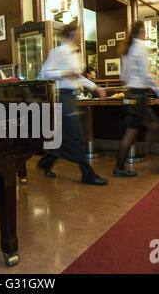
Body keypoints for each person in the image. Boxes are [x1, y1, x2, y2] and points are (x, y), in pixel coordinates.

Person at [37, 21, 108, 186]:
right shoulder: (58, 52)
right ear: (72, 34)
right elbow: (44, 73)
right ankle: (88, 175)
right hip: (63, 97)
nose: (81, 36)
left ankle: (46, 161)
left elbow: (78, 77)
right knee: (76, 137)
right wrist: (66, 72)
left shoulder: (75, 54)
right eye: (79, 33)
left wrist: (95, 87)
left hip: (71, 97)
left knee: (67, 136)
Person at [113, 21, 159, 177]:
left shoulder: (127, 49)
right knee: (132, 132)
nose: (146, 34)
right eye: (145, 31)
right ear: (141, 31)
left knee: (151, 125)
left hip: (131, 94)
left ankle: (151, 160)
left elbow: (122, 76)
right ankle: (119, 167)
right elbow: (146, 74)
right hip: (137, 95)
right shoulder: (140, 46)